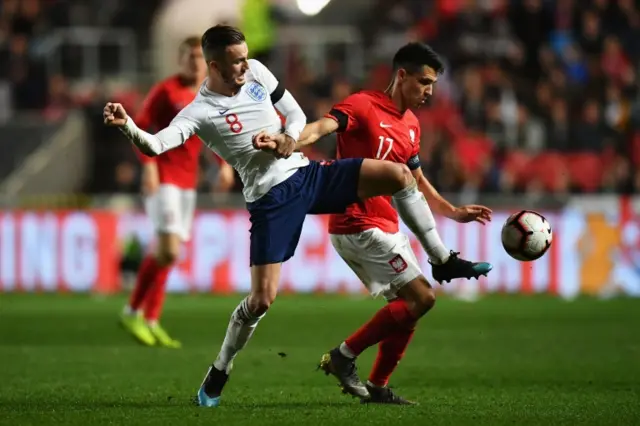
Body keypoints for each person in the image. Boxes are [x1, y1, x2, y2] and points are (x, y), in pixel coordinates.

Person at [103, 25, 490, 408]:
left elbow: (294, 112)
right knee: (261, 299)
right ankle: (220, 368)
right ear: (215, 66)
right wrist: (129, 127)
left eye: (245, 58)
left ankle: (442, 260)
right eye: (236, 62)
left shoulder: (256, 71)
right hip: (271, 199)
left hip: (306, 174)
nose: (245, 67)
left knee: (399, 174)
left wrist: (289, 137)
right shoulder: (200, 112)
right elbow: (156, 145)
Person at [291, 42, 493, 404]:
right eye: (423, 82)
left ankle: (378, 387)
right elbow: (323, 126)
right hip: (357, 221)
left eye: (432, 85)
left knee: (411, 309)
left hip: (385, 223)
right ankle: (343, 356)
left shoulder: (412, 126)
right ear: (401, 76)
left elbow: (415, 179)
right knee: (423, 297)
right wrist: (293, 140)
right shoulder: (363, 105)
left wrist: (452, 211)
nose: (429, 92)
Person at [119, 36, 235, 348]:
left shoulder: (208, 95)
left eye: (199, 57)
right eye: (189, 56)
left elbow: (213, 134)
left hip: (187, 185)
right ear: (180, 59)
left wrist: (223, 165)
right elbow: (138, 127)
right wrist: (149, 166)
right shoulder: (165, 91)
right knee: (168, 250)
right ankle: (131, 311)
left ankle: (151, 319)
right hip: (165, 179)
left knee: (169, 256)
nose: (194, 62)